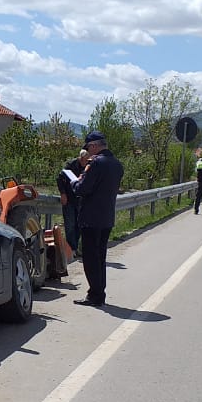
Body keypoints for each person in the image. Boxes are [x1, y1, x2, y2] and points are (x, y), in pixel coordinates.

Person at [71, 131, 123, 307]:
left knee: (91, 258)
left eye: (89, 147)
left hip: (91, 217)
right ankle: (99, 292)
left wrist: (75, 182)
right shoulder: (117, 164)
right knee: (100, 257)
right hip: (107, 216)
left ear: (94, 145)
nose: (89, 151)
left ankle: (95, 295)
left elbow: (83, 188)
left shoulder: (96, 163)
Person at [56, 149, 89, 254]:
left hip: (81, 200)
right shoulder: (71, 165)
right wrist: (63, 193)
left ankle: (75, 247)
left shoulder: (89, 166)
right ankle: (71, 249)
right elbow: (60, 178)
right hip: (69, 198)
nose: (86, 163)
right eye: (85, 160)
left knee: (79, 225)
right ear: (81, 158)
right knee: (70, 224)